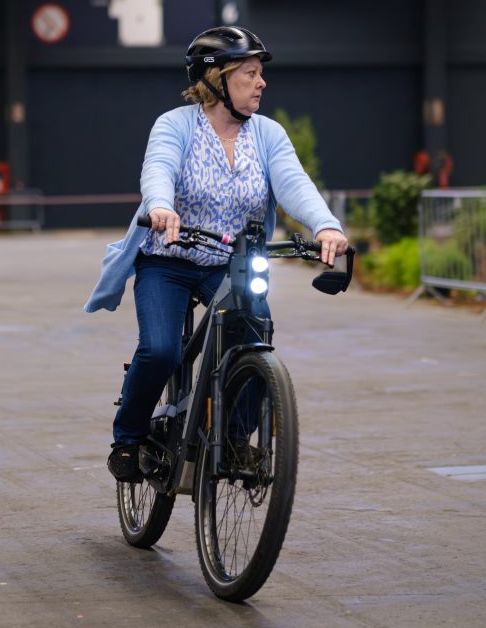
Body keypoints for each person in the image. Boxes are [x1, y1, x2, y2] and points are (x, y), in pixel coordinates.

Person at [84, 26, 349, 481]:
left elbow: (294, 184)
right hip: (168, 259)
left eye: (260, 73)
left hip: (229, 263)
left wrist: (325, 225)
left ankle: (233, 439)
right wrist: (161, 207)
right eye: (249, 73)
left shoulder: (268, 134)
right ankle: (128, 439)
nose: (261, 82)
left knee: (255, 337)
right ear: (215, 80)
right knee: (160, 350)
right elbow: (159, 169)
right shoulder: (175, 125)